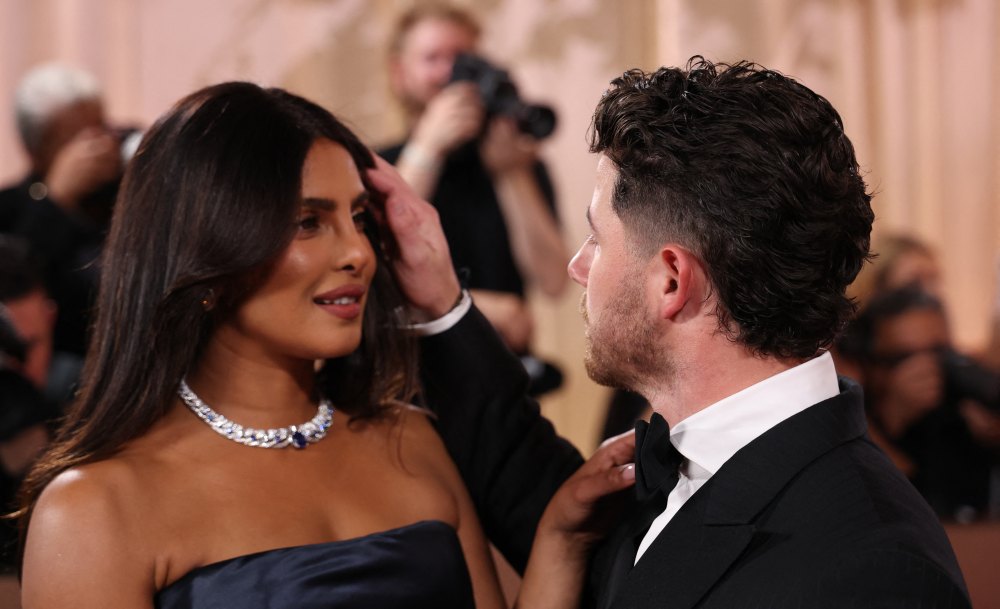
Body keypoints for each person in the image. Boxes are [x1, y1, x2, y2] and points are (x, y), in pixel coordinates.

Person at [16, 82, 635, 609]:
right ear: (202, 254)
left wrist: (561, 537)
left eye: (359, 218)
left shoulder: (410, 440)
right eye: (308, 222)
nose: (358, 253)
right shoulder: (93, 508)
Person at [384, 57, 972, 607]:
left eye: (597, 238)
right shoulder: (678, 465)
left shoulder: (877, 571)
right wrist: (440, 302)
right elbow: (527, 477)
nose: (577, 266)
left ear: (671, 280)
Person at [381, 5, 569, 394]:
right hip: (412, 377)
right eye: (433, 58)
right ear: (399, 73)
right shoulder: (380, 165)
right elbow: (375, 262)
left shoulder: (518, 165)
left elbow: (554, 281)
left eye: (463, 58)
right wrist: (428, 146)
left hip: (502, 376)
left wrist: (511, 173)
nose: (450, 73)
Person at [0, 63, 126, 357]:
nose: (94, 148)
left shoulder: (123, 192)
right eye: (75, 138)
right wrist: (56, 199)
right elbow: (19, 282)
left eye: (100, 129)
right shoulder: (10, 208)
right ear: (37, 151)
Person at [854, 285, 1000, 521]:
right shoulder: (854, 417)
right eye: (903, 358)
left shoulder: (964, 405)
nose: (925, 370)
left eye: (938, 354)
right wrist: (892, 422)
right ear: (868, 363)